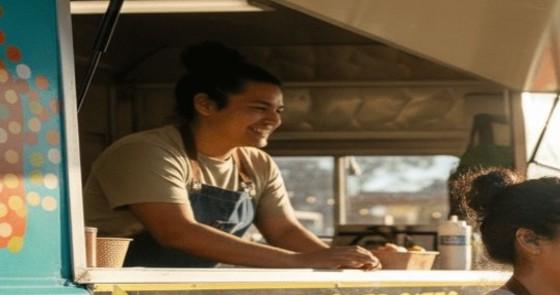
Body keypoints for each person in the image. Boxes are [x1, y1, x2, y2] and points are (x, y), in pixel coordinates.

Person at [82, 41, 377, 269]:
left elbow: (284, 230)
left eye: (278, 110)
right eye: (260, 108)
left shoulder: (256, 163)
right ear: (206, 105)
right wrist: (297, 261)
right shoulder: (146, 152)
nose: (274, 120)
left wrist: (334, 260)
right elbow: (176, 232)